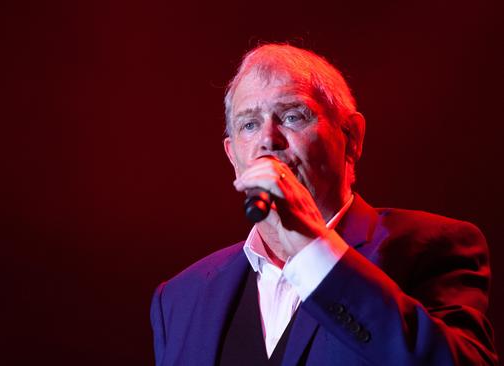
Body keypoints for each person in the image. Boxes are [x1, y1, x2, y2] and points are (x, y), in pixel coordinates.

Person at [149, 43, 498, 366]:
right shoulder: (181, 297)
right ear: (232, 156)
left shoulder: (431, 248)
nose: (268, 140)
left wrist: (312, 248)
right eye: (250, 124)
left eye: (292, 116)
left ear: (352, 138)